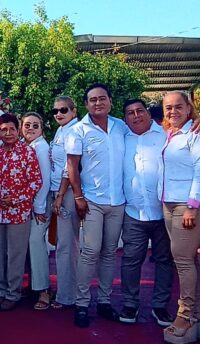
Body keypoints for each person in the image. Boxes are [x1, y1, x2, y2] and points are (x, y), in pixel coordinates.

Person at [66, 83, 127, 328]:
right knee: (90, 252)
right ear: (86, 104)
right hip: (92, 201)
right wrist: (79, 197)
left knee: (110, 253)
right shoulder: (78, 131)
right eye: (93, 100)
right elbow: (72, 166)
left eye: (102, 98)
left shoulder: (121, 127)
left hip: (118, 201)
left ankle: (104, 301)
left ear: (110, 101)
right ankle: (82, 304)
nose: (98, 103)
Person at [159, 92, 200, 344]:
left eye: (178, 107)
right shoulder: (170, 133)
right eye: (168, 108)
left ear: (189, 107)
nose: (173, 112)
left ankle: (186, 314)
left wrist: (192, 206)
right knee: (187, 259)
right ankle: (199, 314)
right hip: (169, 203)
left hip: (188, 205)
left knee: (182, 260)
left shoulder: (197, 132)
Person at [119, 99, 173, 327]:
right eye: (130, 113)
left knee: (164, 260)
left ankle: (160, 306)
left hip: (163, 212)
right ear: (125, 119)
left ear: (148, 114)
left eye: (140, 111)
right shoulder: (121, 138)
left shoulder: (166, 135)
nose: (136, 116)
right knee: (131, 261)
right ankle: (130, 304)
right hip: (134, 213)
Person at [0, 113, 42, 311]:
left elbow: (36, 181)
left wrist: (16, 198)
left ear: (18, 130)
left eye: (12, 129)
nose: (8, 133)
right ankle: (1, 289)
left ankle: (13, 292)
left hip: (18, 212)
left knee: (15, 254)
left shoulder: (27, 152)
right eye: (4, 130)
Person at [50, 95, 80, 309]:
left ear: (74, 111)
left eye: (64, 110)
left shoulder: (74, 131)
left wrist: (60, 195)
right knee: (61, 243)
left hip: (66, 192)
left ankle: (68, 296)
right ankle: (67, 291)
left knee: (67, 245)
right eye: (56, 111)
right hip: (57, 191)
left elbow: (69, 168)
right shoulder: (61, 130)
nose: (59, 114)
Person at [21, 112, 53, 310]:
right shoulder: (28, 146)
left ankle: (43, 290)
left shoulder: (40, 147)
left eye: (35, 125)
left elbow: (44, 179)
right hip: (30, 204)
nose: (30, 128)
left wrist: (39, 207)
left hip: (39, 204)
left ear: (41, 128)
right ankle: (34, 285)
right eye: (27, 125)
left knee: (36, 243)